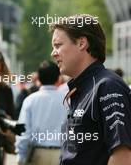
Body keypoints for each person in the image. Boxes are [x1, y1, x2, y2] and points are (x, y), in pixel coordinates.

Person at [50, 14, 131, 165]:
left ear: (82, 43)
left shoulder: (108, 86)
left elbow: (123, 156)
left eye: (58, 45)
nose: (53, 53)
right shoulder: (82, 88)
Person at [15, 60, 67, 165]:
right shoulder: (67, 100)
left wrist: (21, 156)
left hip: (38, 153)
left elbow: (23, 131)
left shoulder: (30, 100)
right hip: (62, 154)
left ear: (38, 78)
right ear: (58, 78)